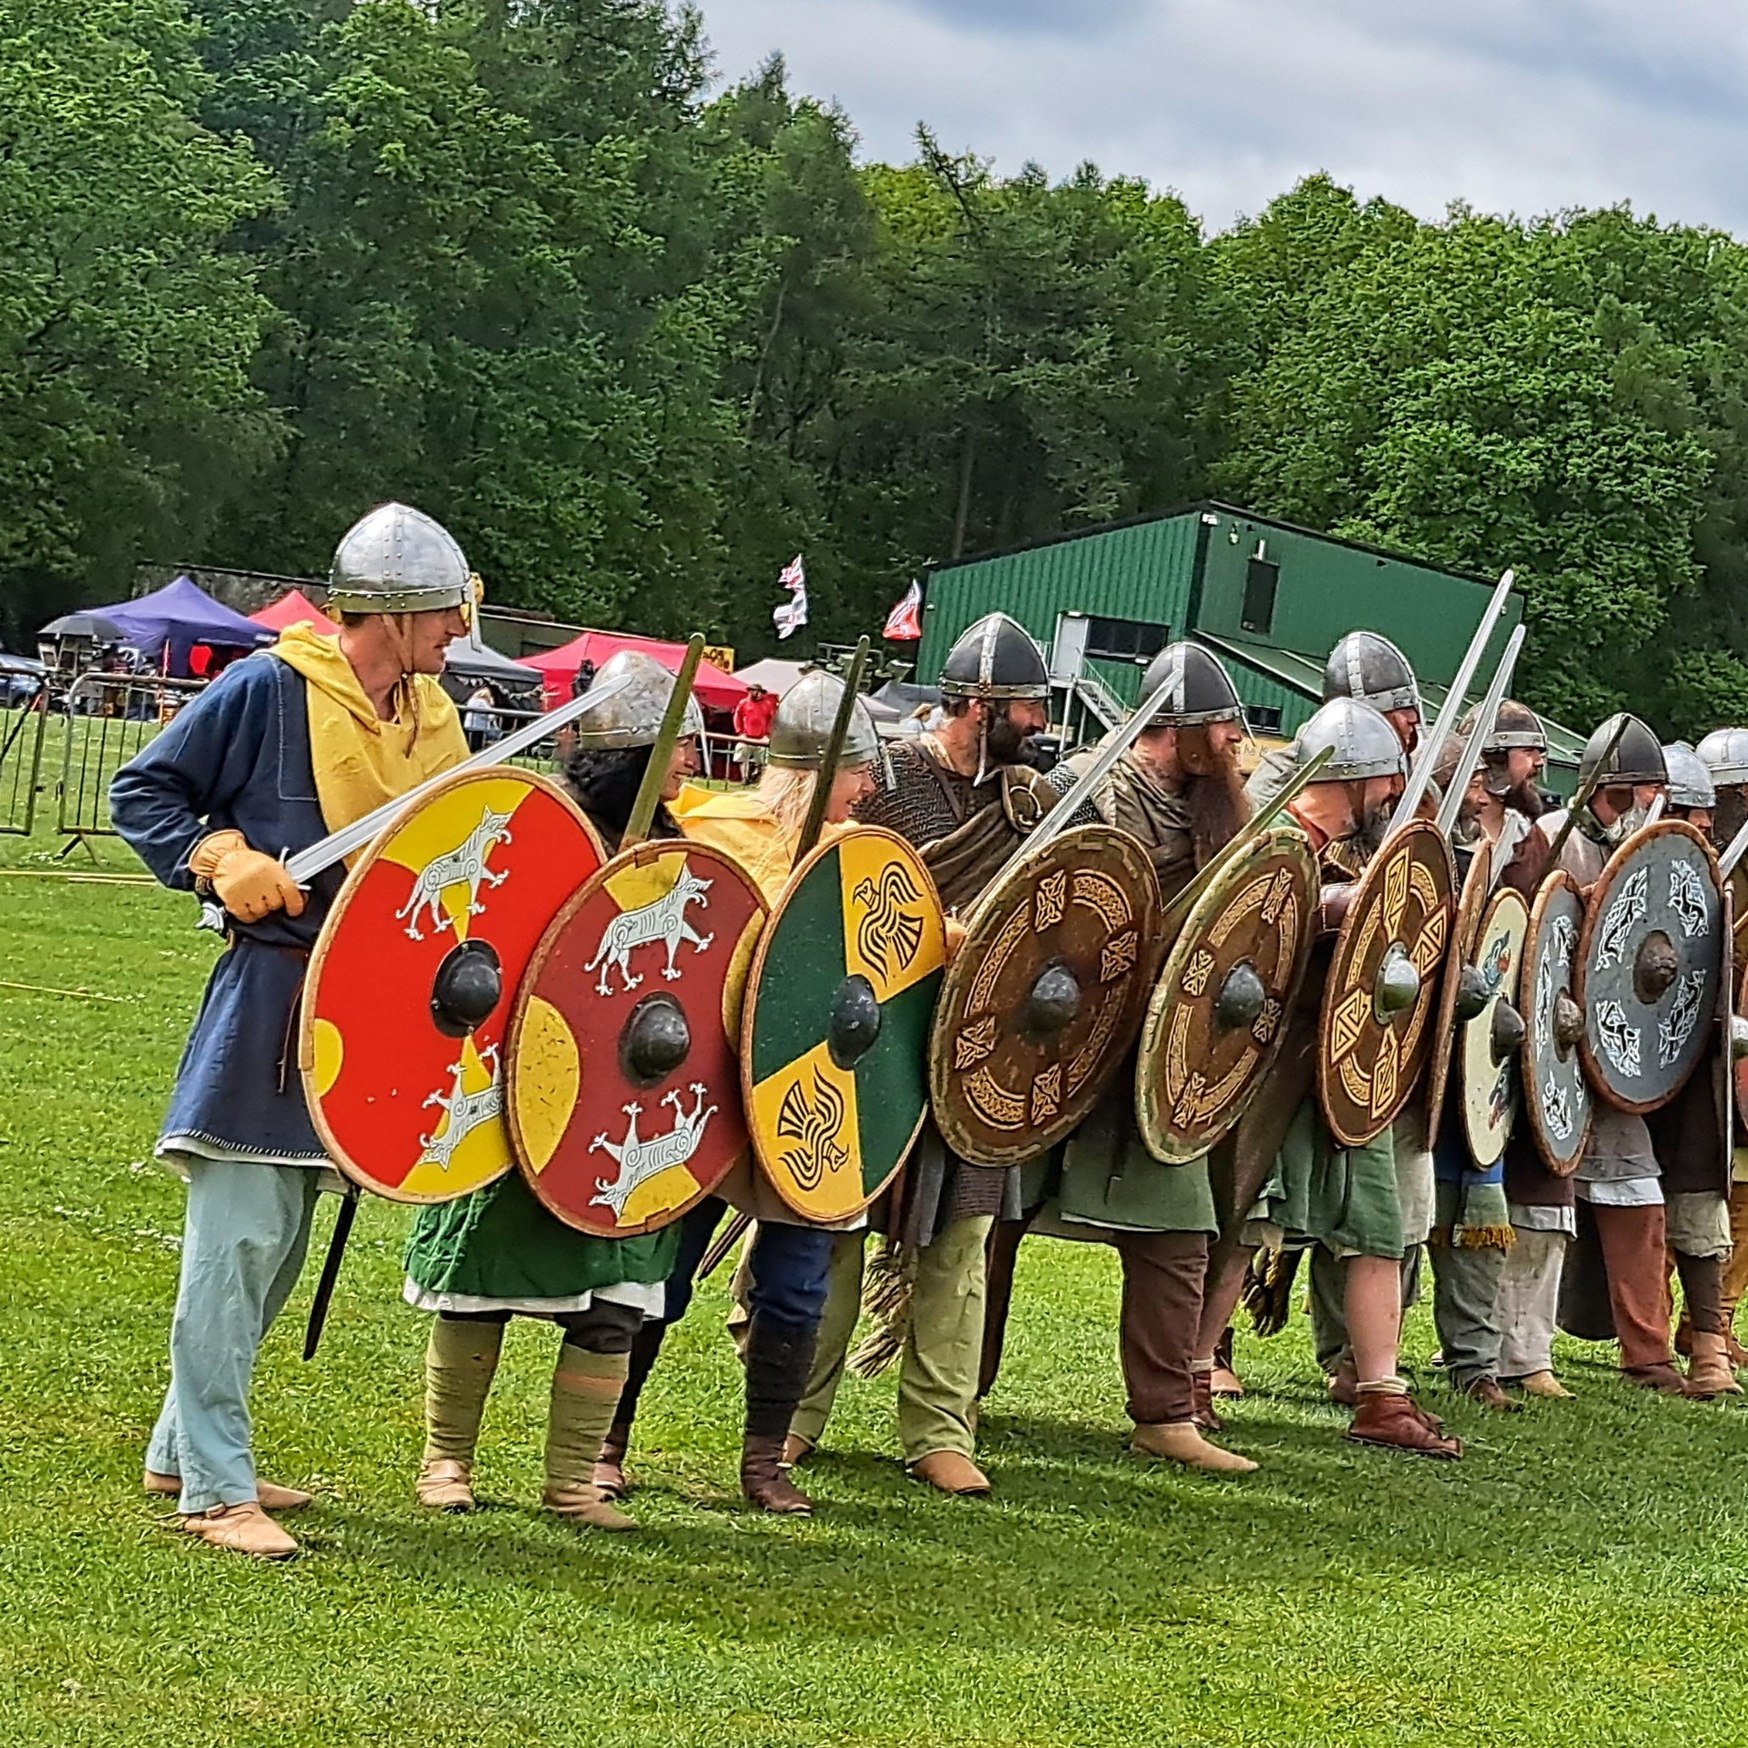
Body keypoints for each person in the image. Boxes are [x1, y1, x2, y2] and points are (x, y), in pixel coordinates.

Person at [110, 503, 473, 1559]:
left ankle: (183, 1450)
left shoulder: (429, 718)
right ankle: (217, 1490)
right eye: (443, 612)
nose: (456, 629)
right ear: (395, 613)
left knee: (272, 1253)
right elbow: (147, 788)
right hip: (270, 998)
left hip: (370, 1002)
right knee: (234, 1249)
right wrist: (221, 856)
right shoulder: (272, 688)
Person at [403, 652, 703, 1531]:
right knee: (481, 1284)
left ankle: (574, 1480)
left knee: (614, 1298)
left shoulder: (675, 855)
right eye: (675, 748)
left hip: (624, 1097)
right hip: (515, 1096)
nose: (690, 762)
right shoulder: (536, 834)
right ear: (634, 754)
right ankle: (445, 1461)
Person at [592, 670, 881, 1516]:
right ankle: (608, 1445)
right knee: (660, 1275)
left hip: (803, 1098)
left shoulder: (854, 856)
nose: (867, 790)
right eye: (859, 771)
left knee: (795, 1282)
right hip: (701, 1089)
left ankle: (764, 1461)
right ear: (819, 772)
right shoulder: (713, 835)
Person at [788, 611, 1058, 1497]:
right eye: (1025, 707)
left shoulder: (1029, 804)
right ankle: (793, 1413)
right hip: (870, 1039)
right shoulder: (889, 781)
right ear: (977, 704)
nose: (1039, 723)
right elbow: (831, 894)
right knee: (835, 1224)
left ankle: (942, 1430)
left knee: (965, 1236)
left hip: (979, 1052)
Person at [983, 642, 1258, 1472]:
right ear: (1174, 730)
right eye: (1218, 726)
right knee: (996, 1214)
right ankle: (962, 1390)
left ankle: (1167, 1412)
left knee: (1180, 1225)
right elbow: (1033, 913)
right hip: (1053, 1036)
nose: (1232, 742)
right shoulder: (1085, 792)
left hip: (1153, 1050)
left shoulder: (1217, 812)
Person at [1199, 697, 1461, 1456]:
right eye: (1384, 782)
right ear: (1353, 777)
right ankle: (1192, 1369)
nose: (1390, 796)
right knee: (1245, 1223)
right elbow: (1236, 953)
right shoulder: (1269, 839)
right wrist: (1332, 906)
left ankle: (1381, 1392)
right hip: (1270, 1068)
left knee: (1378, 1227)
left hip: (1352, 1065)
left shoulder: (1354, 850)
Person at [1546, 715, 1687, 1393]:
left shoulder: (1653, 861)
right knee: (1533, 1213)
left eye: (1647, 795)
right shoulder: (1553, 846)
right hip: (1545, 1055)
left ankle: (1648, 1354)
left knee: (1638, 1199)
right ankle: (1510, 1346)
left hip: (1616, 1058)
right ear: (1595, 790)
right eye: (1623, 795)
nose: (1635, 809)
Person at [1429, 702, 1551, 1410]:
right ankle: (1354, 1361)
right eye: (1521, 754)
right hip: (1418, 1058)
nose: (1534, 767)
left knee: (1481, 1218)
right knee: (1397, 1222)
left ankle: (1473, 1362)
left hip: (1488, 1056)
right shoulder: (1431, 843)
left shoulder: (1534, 842)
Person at [1644, 742, 1738, 1396]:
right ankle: (1644, 1347)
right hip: (1615, 1060)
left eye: (1707, 814)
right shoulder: (1622, 872)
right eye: (1687, 811)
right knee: (1604, 1211)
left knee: (1701, 1210)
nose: (1701, 826)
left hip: (1694, 1068)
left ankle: (1709, 1348)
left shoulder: (1721, 888)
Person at [1697, 727, 1748, 1362]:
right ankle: (1679, 1316)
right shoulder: (1684, 855)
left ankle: (1720, 1318)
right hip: (1684, 1033)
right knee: (1690, 1182)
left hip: (1742, 1033)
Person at [732, 682, 779, 779]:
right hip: (746, 736)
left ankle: (758, 774)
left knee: (762, 760)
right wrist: (740, 732)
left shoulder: (768, 704)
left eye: (755, 691)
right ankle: (744, 778)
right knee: (742, 756)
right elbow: (737, 717)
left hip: (762, 737)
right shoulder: (743, 703)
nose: (753, 693)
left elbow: (773, 719)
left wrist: (767, 734)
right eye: (751, 691)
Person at [462, 681, 499, 753]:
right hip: (478, 726)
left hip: (470, 725)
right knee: (477, 744)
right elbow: (489, 715)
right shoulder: (481, 702)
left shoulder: (472, 700)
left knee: (470, 741)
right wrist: (491, 704)